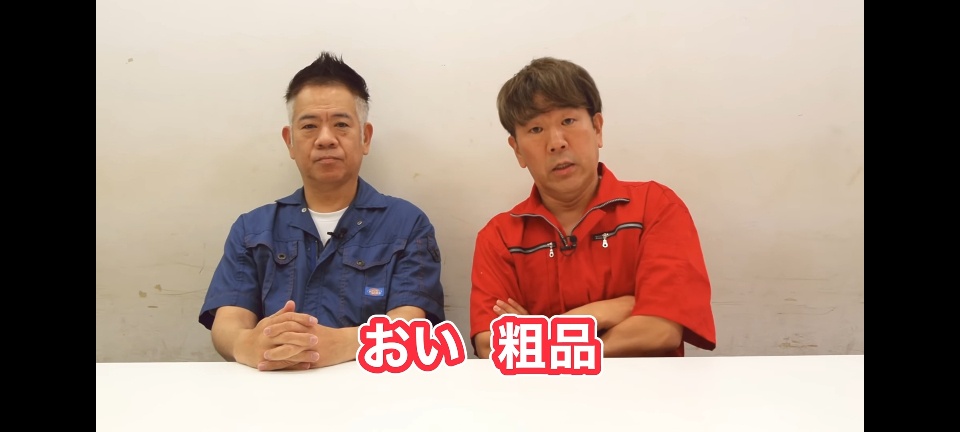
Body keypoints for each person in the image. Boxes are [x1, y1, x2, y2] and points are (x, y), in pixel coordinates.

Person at [199, 52, 445, 371]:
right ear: (289, 141)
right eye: (309, 126)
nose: (325, 139)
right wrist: (250, 344)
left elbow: (411, 322)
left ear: (365, 137)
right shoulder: (252, 229)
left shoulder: (407, 224)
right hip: (273, 391)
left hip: (373, 393)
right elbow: (228, 323)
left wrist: (344, 343)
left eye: (341, 124)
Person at [469, 57, 716, 359]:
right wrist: (616, 309)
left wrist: (541, 334)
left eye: (568, 121)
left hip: (644, 389)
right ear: (517, 150)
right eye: (535, 129)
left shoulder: (655, 206)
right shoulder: (499, 237)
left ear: (597, 128)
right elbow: (490, 344)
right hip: (541, 390)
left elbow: (660, 330)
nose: (556, 142)